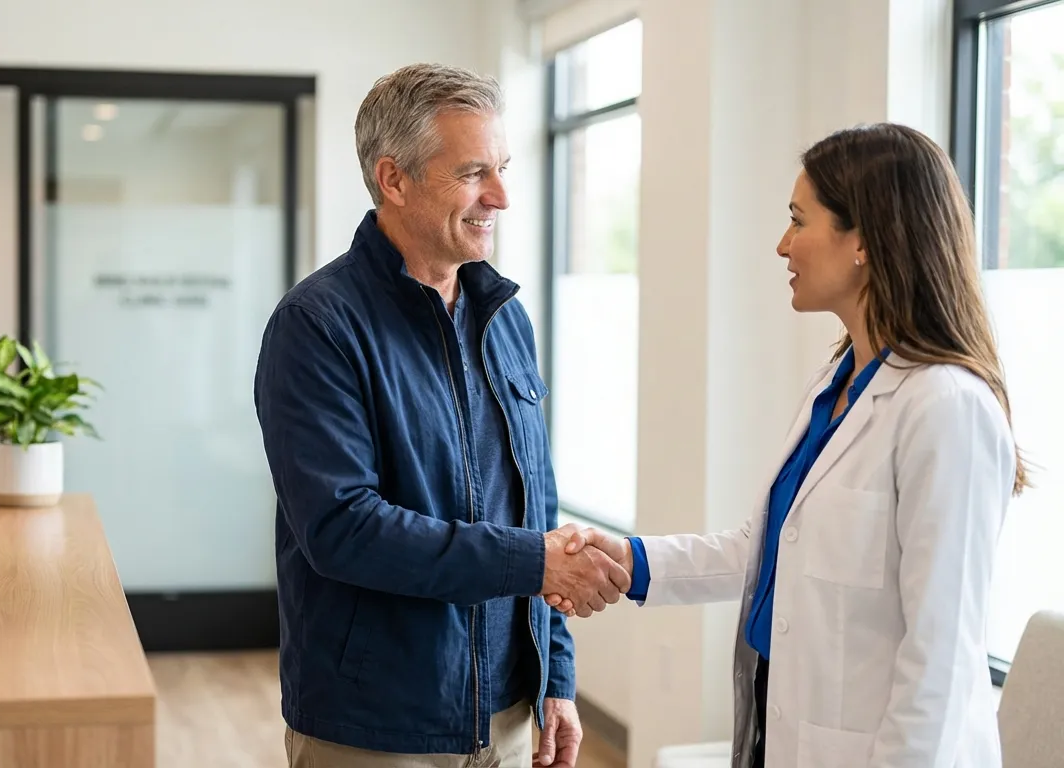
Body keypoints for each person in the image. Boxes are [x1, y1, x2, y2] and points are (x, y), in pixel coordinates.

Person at [550, 123, 1025, 767]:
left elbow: (938, 657)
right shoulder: (837, 385)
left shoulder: (946, 407)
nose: (782, 244)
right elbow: (770, 548)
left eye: (799, 220)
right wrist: (632, 560)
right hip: (782, 727)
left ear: (863, 239)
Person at [254, 63, 629, 768]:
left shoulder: (505, 319)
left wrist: (557, 677)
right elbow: (343, 529)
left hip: (512, 712)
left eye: (503, 168)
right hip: (376, 726)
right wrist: (535, 559)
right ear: (394, 180)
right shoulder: (317, 325)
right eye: (473, 172)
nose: (502, 196)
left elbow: (534, 506)